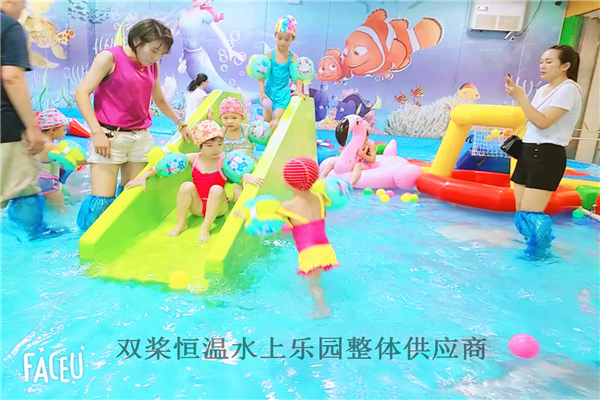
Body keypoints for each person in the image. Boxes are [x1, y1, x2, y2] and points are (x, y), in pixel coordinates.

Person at [74, 19, 193, 232]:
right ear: (137, 40)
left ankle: (121, 237)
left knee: (131, 196)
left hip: (140, 138)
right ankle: (85, 244)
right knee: (101, 201)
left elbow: (160, 100)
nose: (156, 57)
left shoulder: (152, 66)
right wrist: (97, 132)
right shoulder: (110, 58)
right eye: (154, 50)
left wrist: (180, 123)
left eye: (161, 54)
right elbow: (81, 93)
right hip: (109, 137)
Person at [505, 44, 582, 258]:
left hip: (547, 154)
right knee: (521, 213)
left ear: (565, 65)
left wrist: (521, 97)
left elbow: (543, 122)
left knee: (532, 213)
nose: (542, 66)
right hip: (528, 150)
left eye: (549, 61)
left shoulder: (569, 89)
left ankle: (541, 255)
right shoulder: (542, 90)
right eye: (541, 61)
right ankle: (531, 248)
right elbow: (533, 121)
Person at [245, 157, 339, 318]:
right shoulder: (319, 198)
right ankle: (319, 290)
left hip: (309, 252)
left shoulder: (289, 206)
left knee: (313, 286)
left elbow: (265, 215)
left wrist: (244, 214)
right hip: (325, 248)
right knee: (315, 279)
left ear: (290, 182)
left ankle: (323, 309)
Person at [125, 120, 229, 243]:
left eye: (219, 144)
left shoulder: (224, 161)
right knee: (186, 186)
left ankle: (205, 229)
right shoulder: (193, 158)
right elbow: (166, 165)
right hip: (198, 207)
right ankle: (181, 224)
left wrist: (245, 180)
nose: (216, 149)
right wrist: (144, 176)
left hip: (219, 208)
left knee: (216, 189)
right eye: (209, 146)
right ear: (200, 145)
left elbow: (240, 174)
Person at [1, 0, 45, 206]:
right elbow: (11, 77)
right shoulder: (8, 26)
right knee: (25, 196)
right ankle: (29, 229)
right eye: (23, 3)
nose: (23, 9)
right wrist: (32, 127)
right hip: (5, 128)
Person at [173, 0, 244, 92]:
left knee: (211, 85)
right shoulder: (181, 13)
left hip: (198, 57)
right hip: (187, 55)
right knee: (198, 84)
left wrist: (230, 50)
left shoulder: (204, 14)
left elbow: (219, 33)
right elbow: (172, 32)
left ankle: (235, 93)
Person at [208, 96, 264, 201]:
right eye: (225, 118)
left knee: (238, 188)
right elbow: (209, 138)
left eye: (234, 118)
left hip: (247, 167)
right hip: (229, 169)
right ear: (220, 118)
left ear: (242, 118)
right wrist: (210, 121)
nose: (230, 121)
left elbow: (265, 136)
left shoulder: (247, 130)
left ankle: (238, 194)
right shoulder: (222, 131)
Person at [259, 15, 305, 133]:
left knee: (276, 120)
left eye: (287, 39)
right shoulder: (269, 55)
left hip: (283, 94)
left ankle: (274, 142)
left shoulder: (293, 58)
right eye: (279, 38)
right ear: (275, 35)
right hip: (269, 91)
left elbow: (298, 75)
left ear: (293, 38)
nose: (282, 42)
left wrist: (299, 90)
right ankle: (266, 142)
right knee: (266, 122)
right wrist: (262, 92)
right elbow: (260, 74)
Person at [35, 109, 87, 211]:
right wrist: (88, 161)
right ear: (53, 130)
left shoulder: (35, 143)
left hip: (34, 181)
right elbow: (70, 162)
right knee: (60, 210)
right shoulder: (53, 147)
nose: (65, 133)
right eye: (64, 130)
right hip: (49, 184)